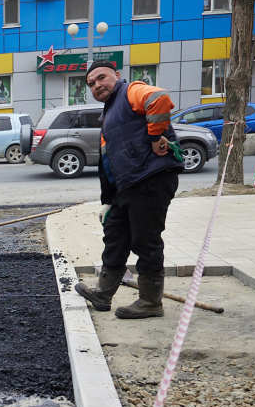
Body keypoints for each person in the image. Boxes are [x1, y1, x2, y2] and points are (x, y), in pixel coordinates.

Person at [74, 61, 183, 319]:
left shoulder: (131, 91)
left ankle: (150, 302)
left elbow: (158, 98)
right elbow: (109, 160)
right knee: (115, 238)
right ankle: (103, 293)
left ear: (117, 76)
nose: (97, 85)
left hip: (150, 179)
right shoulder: (109, 114)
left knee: (145, 241)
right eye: (91, 84)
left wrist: (157, 137)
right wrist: (109, 200)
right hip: (127, 186)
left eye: (101, 78)